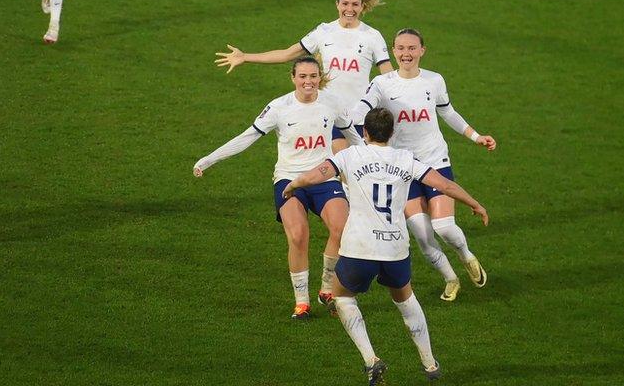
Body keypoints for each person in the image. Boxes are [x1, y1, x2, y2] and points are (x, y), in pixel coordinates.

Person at [282, 108, 489, 384]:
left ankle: (371, 359)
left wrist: (294, 184)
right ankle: (429, 364)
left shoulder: (350, 155)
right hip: (394, 249)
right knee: (406, 301)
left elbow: (317, 174)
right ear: (392, 134)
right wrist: (475, 203)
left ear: (364, 133)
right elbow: (444, 185)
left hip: (359, 248)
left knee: (342, 297)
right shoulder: (406, 159)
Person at [193, 57, 360, 320]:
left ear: (320, 77)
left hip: (324, 178)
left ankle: (327, 289)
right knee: (298, 236)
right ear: (293, 78)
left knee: (342, 229)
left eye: (313, 76)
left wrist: (373, 160)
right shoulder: (279, 107)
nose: (308, 81)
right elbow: (248, 136)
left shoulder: (332, 102)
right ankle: (302, 302)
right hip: (288, 179)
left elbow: (353, 135)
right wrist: (210, 158)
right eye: (303, 76)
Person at [350, 28, 497, 301]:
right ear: (394, 52)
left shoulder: (434, 81)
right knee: (422, 234)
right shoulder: (382, 84)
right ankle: (450, 278)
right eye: (401, 48)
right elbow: (360, 111)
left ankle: (466, 256)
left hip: (434, 159)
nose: (406, 53)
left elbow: (447, 112)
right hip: (402, 167)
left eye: (412, 48)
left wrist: (476, 136)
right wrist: (353, 128)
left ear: (422, 50)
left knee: (444, 227)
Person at [215, 0, 392, 110]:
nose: (349, 9)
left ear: (362, 6)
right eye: (345, 3)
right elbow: (287, 54)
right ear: (337, 4)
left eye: (355, 4)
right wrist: (245, 57)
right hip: (328, 111)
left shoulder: (372, 36)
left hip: (360, 113)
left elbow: (388, 77)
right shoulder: (323, 32)